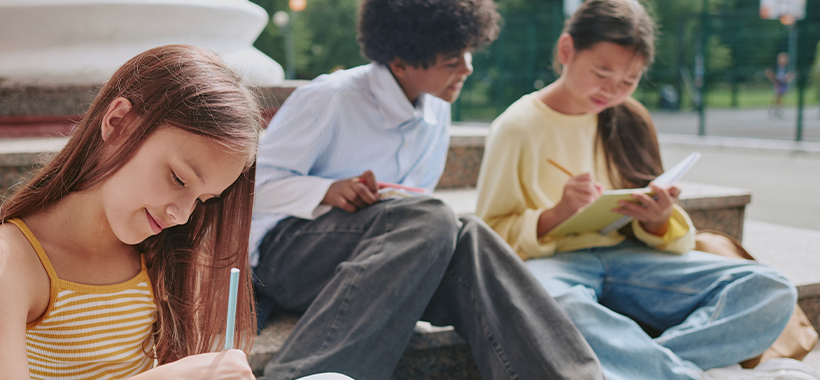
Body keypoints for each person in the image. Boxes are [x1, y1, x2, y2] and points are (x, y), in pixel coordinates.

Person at [250, 0, 605, 379]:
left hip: (380, 256)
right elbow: (250, 189)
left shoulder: (437, 109)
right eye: (451, 60)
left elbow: (417, 211)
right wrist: (325, 190)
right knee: (434, 217)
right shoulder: (331, 98)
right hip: (283, 256)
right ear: (400, 62)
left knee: (467, 236)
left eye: (468, 52)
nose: (467, 67)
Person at [0, 44, 350, 380]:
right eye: (179, 180)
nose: (182, 215)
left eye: (203, 199)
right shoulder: (7, 261)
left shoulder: (161, 252)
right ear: (117, 123)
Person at [475, 1, 814, 379]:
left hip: (629, 258)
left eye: (628, 81)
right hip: (554, 265)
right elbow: (488, 237)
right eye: (602, 73)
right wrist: (556, 215)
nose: (612, 90)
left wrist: (658, 220)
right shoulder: (517, 127)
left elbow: (663, 224)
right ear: (566, 51)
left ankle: (654, 368)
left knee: (769, 287)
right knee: (554, 306)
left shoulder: (628, 117)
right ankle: (691, 373)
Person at [765, 52, 795, 118]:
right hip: (777, 83)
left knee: (782, 97)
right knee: (776, 96)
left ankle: (779, 109)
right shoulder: (775, 67)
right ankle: (773, 108)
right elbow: (770, 73)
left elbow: (790, 75)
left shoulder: (787, 68)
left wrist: (788, 78)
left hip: (783, 83)